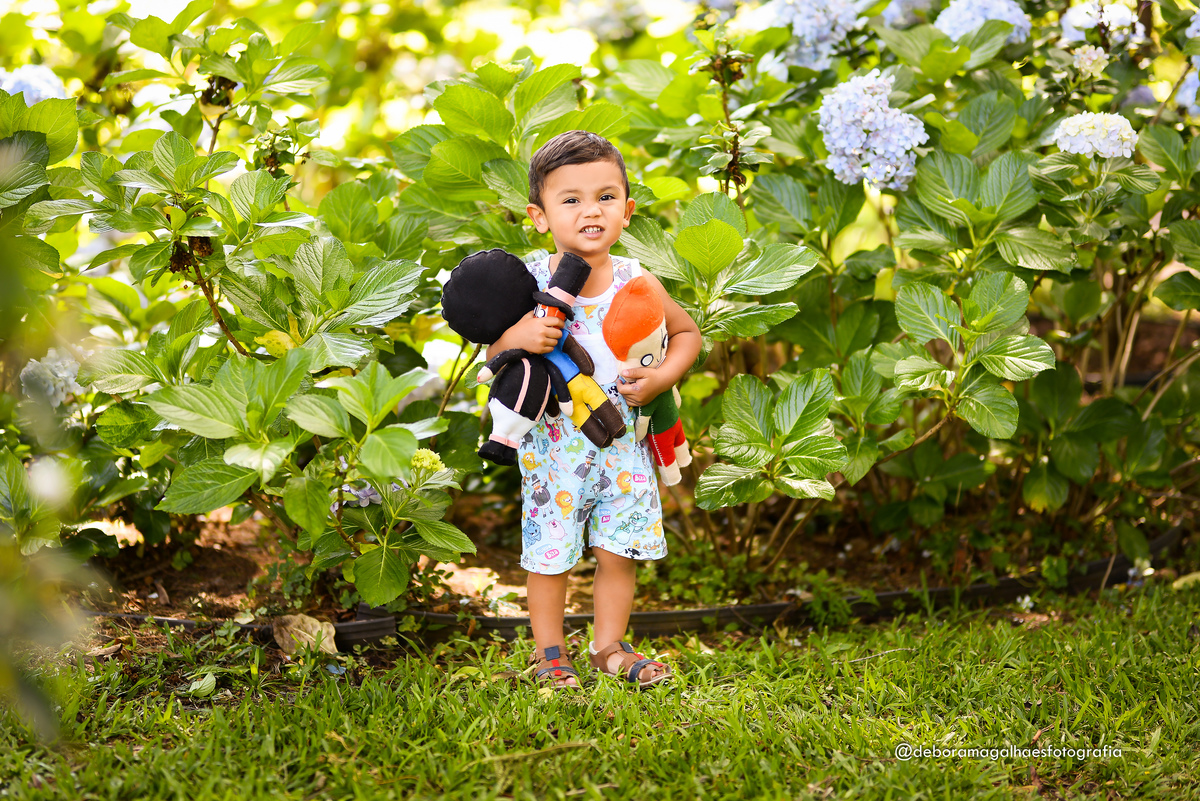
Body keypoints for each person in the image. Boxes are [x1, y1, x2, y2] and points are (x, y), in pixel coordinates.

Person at [485, 130, 701, 689]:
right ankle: (550, 650)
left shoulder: (637, 280)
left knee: (617, 550)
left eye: (606, 197)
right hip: (553, 447)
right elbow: (494, 353)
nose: (591, 211)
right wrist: (522, 334)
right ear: (539, 215)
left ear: (627, 211)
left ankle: (609, 646)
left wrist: (660, 379)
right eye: (571, 199)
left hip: (624, 446)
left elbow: (686, 333)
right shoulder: (529, 282)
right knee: (550, 552)